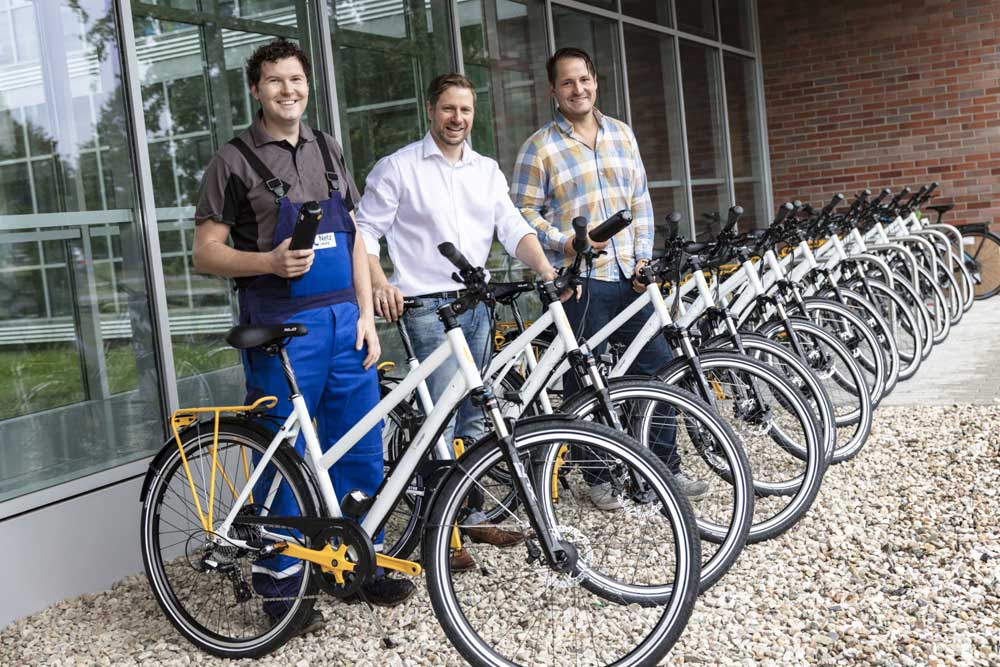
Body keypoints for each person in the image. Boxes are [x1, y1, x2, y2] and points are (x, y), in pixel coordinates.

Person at [192, 39, 414, 631]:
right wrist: (266, 263)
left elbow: (356, 238)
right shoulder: (233, 161)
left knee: (362, 447)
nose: (288, 90)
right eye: (274, 81)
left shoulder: (327, 148)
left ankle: (355, 563)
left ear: (307, 84)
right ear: (256, 89)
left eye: (296, 79)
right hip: (282, 330)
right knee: (282, 456)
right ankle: (281, 587)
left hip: (347, 323)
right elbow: (205, 253)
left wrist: (367, 316)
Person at [355, 73, 562, 570]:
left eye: (465, 110)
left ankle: (468, 515)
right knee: (437, 421)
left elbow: (512, 228)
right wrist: (382, 283)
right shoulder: (399, 167)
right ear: (431, 110)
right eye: (448, 109)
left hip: (477, 303)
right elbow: (364, 232)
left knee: (475, 412)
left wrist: (548, 270)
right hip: (425, 308)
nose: (457, 119)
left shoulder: (485, 169)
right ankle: (439, 533)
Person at [511, 47, 709, 507]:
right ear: (552, 91)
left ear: (595, 81)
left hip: (632, 277)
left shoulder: (621, 134)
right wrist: (565, 242)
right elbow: (520, 215)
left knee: (658, 370)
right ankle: (599, 477)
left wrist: (643, 258)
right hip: (581, 280)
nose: (577, 89)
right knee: (584, 379)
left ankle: (664, 471)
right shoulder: (539, 147)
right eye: (567, 83)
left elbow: (640, 201)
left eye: (583, 80)